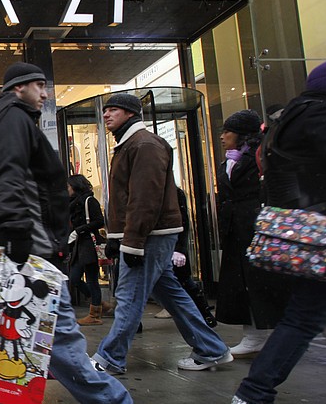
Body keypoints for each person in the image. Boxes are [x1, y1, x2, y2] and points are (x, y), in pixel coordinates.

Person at [0, 61, 166, 404]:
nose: (45, 93)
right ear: (19, 88)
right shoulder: (14, 119)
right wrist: (20, 239)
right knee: (60, 335)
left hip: (12, 244)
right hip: (26, 247)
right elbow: (8, 179)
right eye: (39, 85)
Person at [91, 93, 231, 374]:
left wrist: (131, 243)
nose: (106, 115)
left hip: (149, 236)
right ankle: (212, 349)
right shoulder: (133, 144)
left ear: (130, 113)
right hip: (148, 235)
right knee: (171, 294)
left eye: (113, 110)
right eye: (105, 111)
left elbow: (145, 198)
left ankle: (110, 358)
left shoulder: (143, 144)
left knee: (129, 297)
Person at [231, 61, 326, 404]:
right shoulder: (319, 119)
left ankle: (256, 392)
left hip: (302, 234)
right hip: (316, 237)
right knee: (304, 318)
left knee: (303, 317)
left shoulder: (288, 120)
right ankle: (256, 393)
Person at [216, 110, 283, 357]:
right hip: (237, 230)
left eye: (227, 132)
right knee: (242, 283)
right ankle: (253, 335)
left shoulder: (261, 156)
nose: (222, 137)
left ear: (242, 134)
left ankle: (269, 335)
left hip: (257, 227)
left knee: (262, 282)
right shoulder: (229, 160)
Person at [156, 188, 217, 327]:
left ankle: (204, 315)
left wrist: (179, 249)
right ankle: (203, 316)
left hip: (169, 245)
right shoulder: (155, 190)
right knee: (180, 283)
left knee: (183, 282)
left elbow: (183, 222)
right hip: (160, 245)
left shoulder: (173, 193)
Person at [67, 174, 112, 326]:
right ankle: (98, 303)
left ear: (75, 186)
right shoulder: (73, 203)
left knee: (92, 278)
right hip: (79, 246)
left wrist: (79, 230)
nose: (67, 189)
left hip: (88, 245)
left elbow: (99, 221)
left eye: (68, 186)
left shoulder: (89, 201)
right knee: (74, 278)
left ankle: (95, 314)